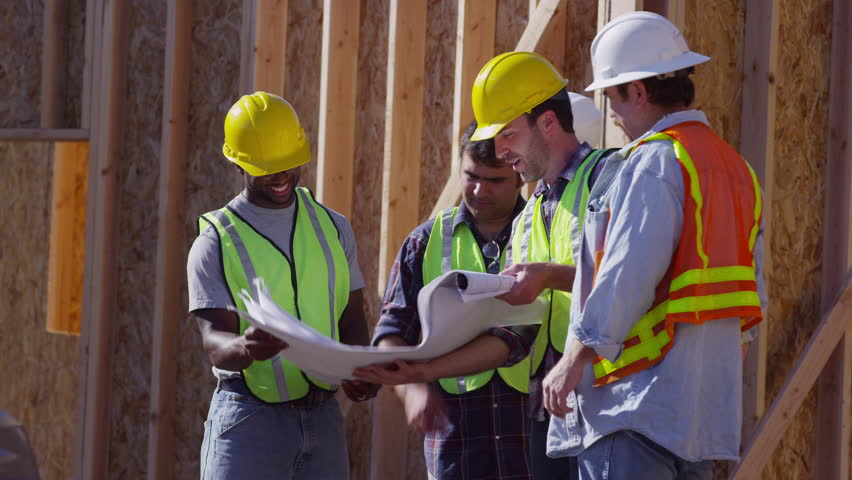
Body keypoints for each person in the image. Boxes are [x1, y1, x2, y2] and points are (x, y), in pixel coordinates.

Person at [541, 12, 766, 480]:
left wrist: (572, 360)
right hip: (698, 415)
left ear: (638, 92)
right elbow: (749, 291)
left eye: (612, 99)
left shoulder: (654, 162)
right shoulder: (734, 168)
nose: (613, 116)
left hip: (634, 403)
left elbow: (627, 273)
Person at [187, 91, 378, 480]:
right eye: (267, 167)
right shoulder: (215, 241)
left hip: (324, 419)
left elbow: (351, 315)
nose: (281, 176)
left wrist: (359, 367)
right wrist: (245, 346)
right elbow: (214, 342)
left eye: (289, 164)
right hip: (249, 420)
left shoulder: (332, 226)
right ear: (239, 163)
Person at [360, 120, 534, 479]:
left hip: (532, 439)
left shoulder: (543, 232)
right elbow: (391, 333)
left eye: (495, 180)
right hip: (457, 445)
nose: (480, 190)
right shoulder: (424, 242)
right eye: (471, 176)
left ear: (519, 175)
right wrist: (413, 393)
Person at [471, 51, 615, 480]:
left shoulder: (609, 179)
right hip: (548, 408)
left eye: (509, 135)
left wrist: (549, 277)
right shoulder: (533, 205)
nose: (500, 151)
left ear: (548, 123)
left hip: (604, 400)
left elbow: (630, 282)